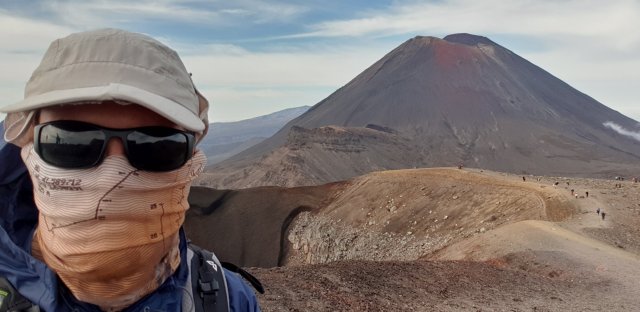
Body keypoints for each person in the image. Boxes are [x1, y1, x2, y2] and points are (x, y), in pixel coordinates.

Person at [0, 29, 261, 311]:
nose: (112, 175)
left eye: (158, 145)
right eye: (70, 142)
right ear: (27, 144)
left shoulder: (229, 300)